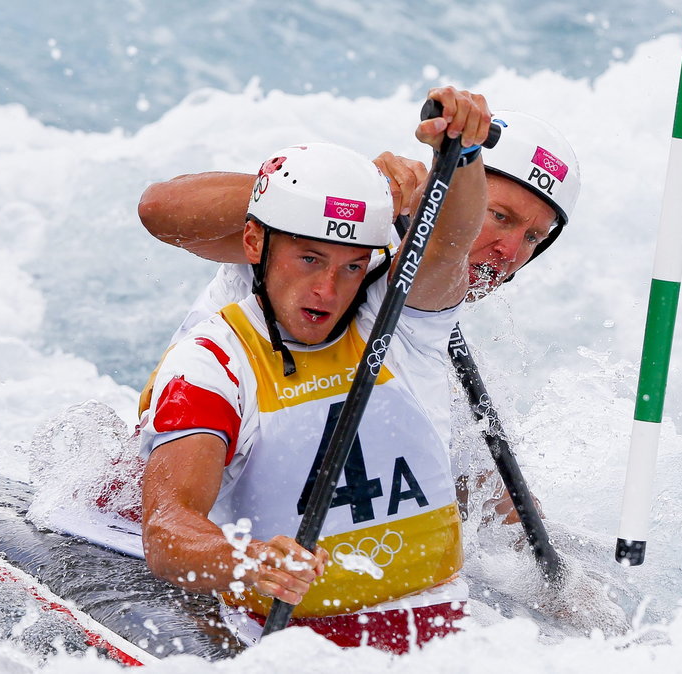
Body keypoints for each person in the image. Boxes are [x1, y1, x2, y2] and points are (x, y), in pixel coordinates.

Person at [135, 88, 493, 653]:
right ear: (254, 242)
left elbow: (448, 242)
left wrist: (464, 154)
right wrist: (243, 561)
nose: (328, 291)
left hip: (452, 640)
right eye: (309, 259)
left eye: (352, 266)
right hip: (298, 647)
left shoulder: (398, 324)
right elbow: (167, 527)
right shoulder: (211, 363)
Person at [138, 95, 582, 527]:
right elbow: (158, 211)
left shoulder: (429, 344)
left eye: (532, 238)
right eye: (500, 217)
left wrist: (569, 582)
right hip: (170, 479)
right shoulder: (319, 230)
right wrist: (339, 191)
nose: (509, 252)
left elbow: (486, 492)